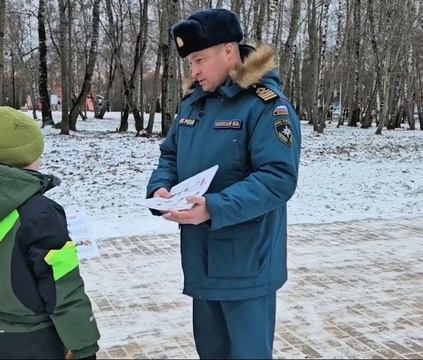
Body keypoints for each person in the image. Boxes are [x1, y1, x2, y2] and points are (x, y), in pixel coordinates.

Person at [146, 8, 301, 359]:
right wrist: (160, 188)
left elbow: (278, 178)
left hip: (246, 267)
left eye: (199, 59)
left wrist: (213, 208)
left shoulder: (266, 107)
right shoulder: (193, 105)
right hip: (202, 261)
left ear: (228, 51)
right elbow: (170, 155)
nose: (193, 71)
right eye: (189, 63)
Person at [0, 105, 100, 359]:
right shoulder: (40, 214)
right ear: (27, 155)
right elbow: (64, 289)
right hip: (37, 341)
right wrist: (83, 346)